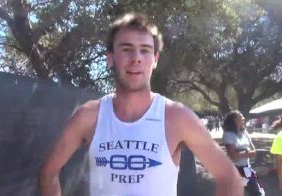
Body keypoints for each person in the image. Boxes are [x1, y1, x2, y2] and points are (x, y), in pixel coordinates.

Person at [39, 12, 243, 196]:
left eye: (145, 50)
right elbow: (48, 172)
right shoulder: (88, 116)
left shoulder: (177, 117)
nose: (136, 59)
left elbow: (230, 178)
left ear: (155, 59)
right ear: (111, 58)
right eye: (126, 49)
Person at [222, 110, 264, 196]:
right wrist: (247, 153)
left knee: (256, 192)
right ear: (234, 120)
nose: (243, 118)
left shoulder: (244, 132)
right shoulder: (228, 134)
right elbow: (233, 156)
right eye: (241, 117)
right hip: (234, 170)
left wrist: (244, 152)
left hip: (247, 168)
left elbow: (253, 149)